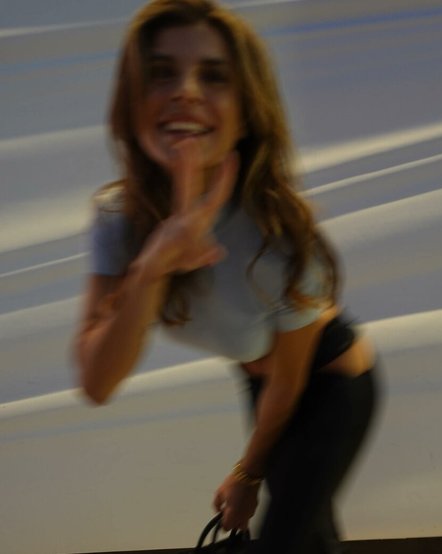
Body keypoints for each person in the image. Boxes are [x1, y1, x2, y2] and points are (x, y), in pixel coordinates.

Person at [74, 0, 380, 552]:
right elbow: (98, 383)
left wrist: (247, 475)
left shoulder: (279, 235)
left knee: (287, 539)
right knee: (307, 538)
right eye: (161, 72)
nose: (186, 91)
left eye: (214, 76)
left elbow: (288, 383)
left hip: (329, 384)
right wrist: (151, 266)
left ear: (245, 114)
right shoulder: (119, 221)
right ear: (132, 100)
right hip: (261, 382)